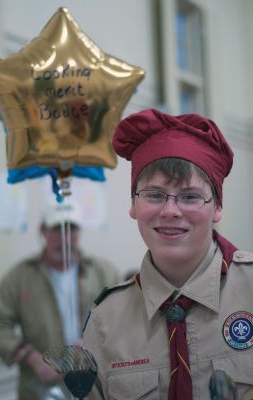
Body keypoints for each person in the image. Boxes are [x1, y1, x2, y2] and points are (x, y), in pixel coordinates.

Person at [83, 109, 253, 400]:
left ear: (218, 208)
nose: (171, 211)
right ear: (134, 205)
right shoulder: (105, 322)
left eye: (190, 196)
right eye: (154, 195)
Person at [0, 201, 120, 400]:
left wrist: (93, 342)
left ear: (80, 232)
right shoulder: (20, 277)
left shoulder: (104, 272)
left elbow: (123, 318)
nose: (64, 238)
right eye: (57, 230)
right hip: (38, 389)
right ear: (42, 231)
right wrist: (31, 358)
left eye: (71, 229)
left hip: (97, 386)